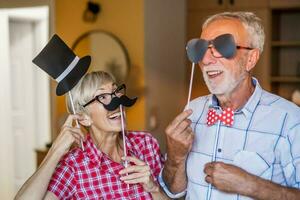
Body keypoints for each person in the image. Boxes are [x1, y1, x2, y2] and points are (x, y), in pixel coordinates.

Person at [158, 11, 300, 199]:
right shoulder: (192, 111)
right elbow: (173, 192)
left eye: (222, 47)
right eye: (201, 48)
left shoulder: (290, 120)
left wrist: (252, 185)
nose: (206, 60)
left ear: (251, 59)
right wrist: (175, 158)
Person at [15, 71, 169, 200]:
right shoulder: (74, 166)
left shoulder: (146, 144)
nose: (116, 100)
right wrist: (54, 151)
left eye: (115, 92)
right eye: (102, 97)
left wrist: (154, 188)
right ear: (84, 118)